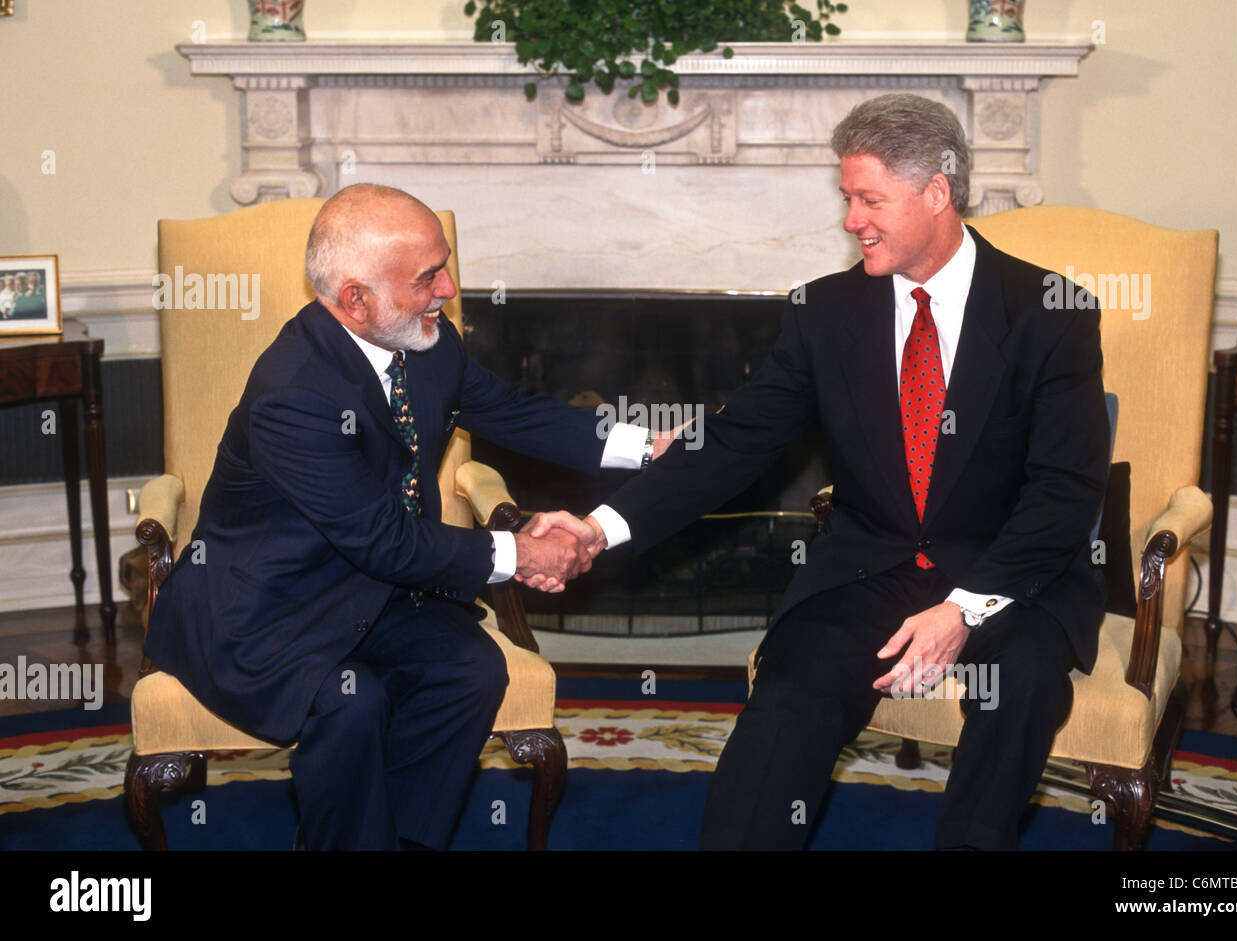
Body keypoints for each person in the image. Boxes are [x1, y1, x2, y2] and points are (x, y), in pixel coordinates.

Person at [527, 93, 1111, 850]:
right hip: (871, 567)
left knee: (1025, 684)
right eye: (847, 197)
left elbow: (1065, 490)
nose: (850, 220)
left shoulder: (1050, 312)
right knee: (791, 690)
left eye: (870, 199)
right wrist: (600, 528)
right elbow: (735, 442)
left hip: (1011, 575)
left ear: (937, 192)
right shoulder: (825, 313)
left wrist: (963, 609)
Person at [143, 183, 665, 850]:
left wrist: (643, 447)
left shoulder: (426, 341)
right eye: (427, 277)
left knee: (471, 671)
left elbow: (513, 412)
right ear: (355, 299)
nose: (448, 287)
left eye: (444, 264)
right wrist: (521, 552)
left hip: (374, 590)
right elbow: (382, 539)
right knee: (351, 703)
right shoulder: (294, 393)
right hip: (264, 608)